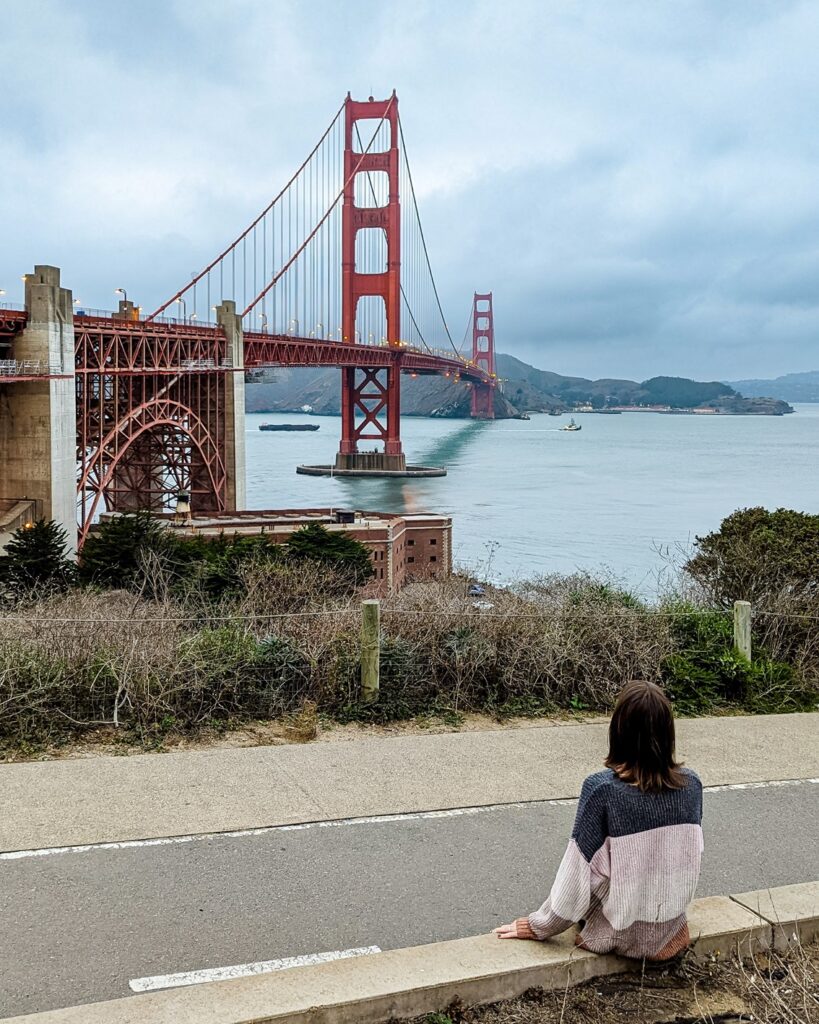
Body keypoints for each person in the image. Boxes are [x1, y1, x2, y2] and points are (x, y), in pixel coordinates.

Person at [495, 679, 703, 960]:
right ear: (668, 733)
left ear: (618, 730)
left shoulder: (602, 789)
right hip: (670, 933)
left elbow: (575, 876)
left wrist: (536, 926)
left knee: (591, 867)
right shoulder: (692, 785)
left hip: (619, 934)